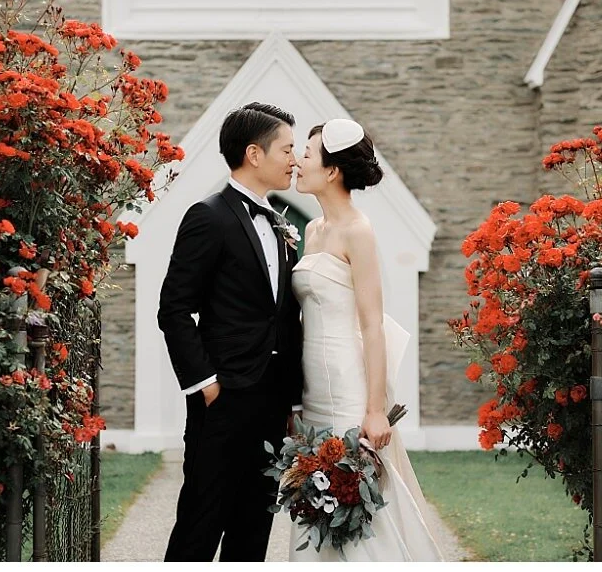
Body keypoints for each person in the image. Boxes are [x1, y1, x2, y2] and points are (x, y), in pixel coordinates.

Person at [287, 118, 443, 561]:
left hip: (347, 385)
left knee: (353, 498)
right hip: (313, 388)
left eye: (307, 154)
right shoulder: (313, 230)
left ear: (332, 170)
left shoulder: (358, 230)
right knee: (315, 495)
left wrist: (375, 410)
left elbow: (372, 324)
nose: (297, 161)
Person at [160, 102, 306, 561]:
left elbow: (284, 318)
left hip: (271, 402)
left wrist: (292, 400)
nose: (295, 159)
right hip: (222, 400)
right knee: (199, 526)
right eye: (287, 149)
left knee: (253, 530)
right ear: (254, 154)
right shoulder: (208, 216)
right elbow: (174, 309)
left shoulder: (280, 223)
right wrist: (206, 384)